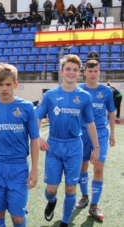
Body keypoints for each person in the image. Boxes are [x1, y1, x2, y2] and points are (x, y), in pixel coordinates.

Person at [36, 55, 100, 227]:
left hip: (74, 146)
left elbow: (90, 123)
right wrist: (38, 137)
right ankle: (52, 200)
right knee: (51, 188)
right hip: (54, 145)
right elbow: (38, 117)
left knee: (71, 188)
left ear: (79, 73)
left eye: (74, 70)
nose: (71, 72)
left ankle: (64, 222)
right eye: (68, 69)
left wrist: (96, 147)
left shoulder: (84, 97)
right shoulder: (50, 95)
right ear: (61, 71)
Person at [0, 63, 39, 227]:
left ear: (15, 84)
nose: (4, 88)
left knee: (17, 217)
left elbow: (34, 139)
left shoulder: (27, 107)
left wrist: (34, 170)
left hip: (18, 167)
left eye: (8, 84)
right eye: (1, 84)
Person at [75, 60, 116, 221]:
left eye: (95, 71)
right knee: (83, 165)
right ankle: (84, 196)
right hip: (83, 132)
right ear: (84, 72)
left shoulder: (106, 91)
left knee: (98, 167)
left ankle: (94, 205)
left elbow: (111, 112)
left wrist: (112, 133)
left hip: (100, 132)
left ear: (100, 73)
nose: (92, 74)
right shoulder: (78, 90)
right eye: (89, 71)